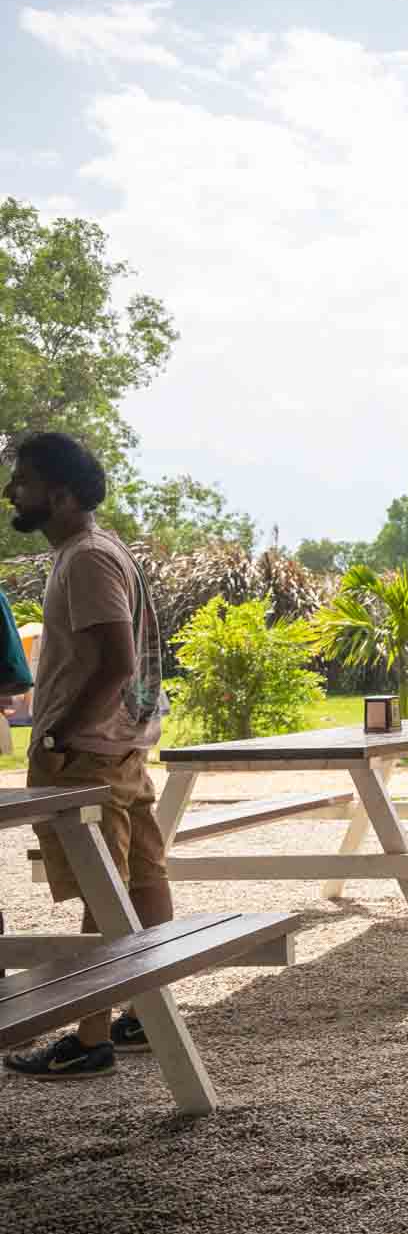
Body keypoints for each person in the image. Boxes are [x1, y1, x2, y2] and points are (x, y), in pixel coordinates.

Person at [3, 432, 172, 1081]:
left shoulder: (86, 559)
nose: (12, 490)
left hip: (90, 755)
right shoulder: (99, 550)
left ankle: (91, 1036)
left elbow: (116, 661)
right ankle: (142, 1010)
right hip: (115, 751)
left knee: (104, 893)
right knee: (141, 879)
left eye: (26, 479)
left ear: (64, 495)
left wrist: (58, 735)